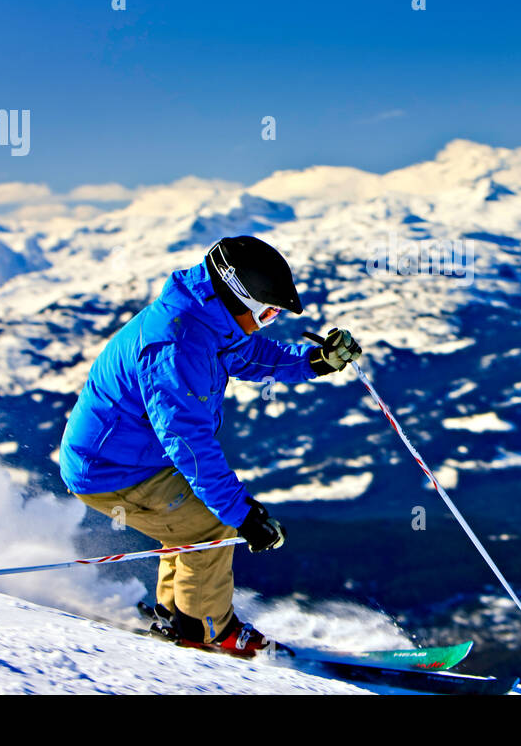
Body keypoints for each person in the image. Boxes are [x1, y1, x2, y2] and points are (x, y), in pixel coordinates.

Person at [58, 235, 362, 657]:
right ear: (238, 295)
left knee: (186, 521)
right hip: (110, 470)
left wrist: (312, 362)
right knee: (208, 526)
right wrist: (242, 515)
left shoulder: (208, 317)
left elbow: (249, 355)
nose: (270, 319)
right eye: (268, 312)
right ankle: (205, 633)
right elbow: (190, 445)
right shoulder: (177, 345)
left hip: (132, 457)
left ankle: (175, 614)